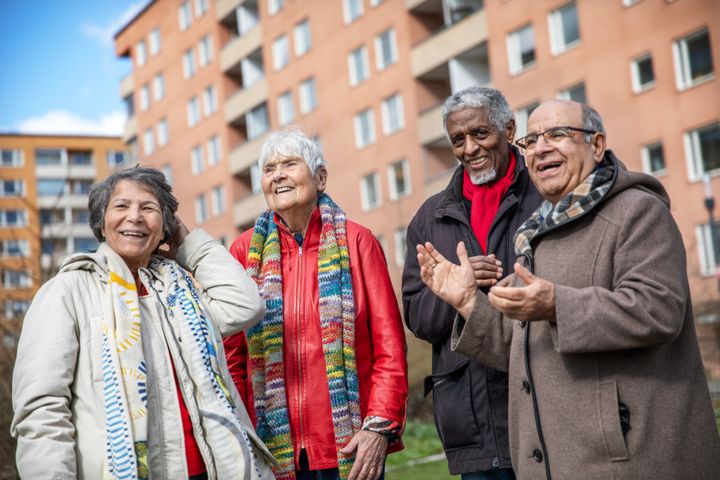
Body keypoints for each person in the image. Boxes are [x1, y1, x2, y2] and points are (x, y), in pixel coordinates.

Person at [416, 100, 720, 479]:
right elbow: (521, 344)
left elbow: (657, 311)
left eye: (557, 134)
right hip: (559, 460)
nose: (541, 147)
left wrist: (557, 304)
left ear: (596, 145)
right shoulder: (538, 231)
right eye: (533, 140)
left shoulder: (638, 212)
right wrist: (466, 302)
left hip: (629, 459)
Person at [11, 167, 276, 479]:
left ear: (165, 225)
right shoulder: (67, 291)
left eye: (148, 208)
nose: (134, 217)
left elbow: (245, 304)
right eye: (121, 206)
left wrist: (187, 244)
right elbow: (42, 412)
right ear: (101, 220)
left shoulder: (179, 292)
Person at [224, 127, 408, 480]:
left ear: (320, 177)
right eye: (268, 169)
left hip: (350, 444)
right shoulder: (243, 253)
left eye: (290, 164)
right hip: (271, 448)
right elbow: (233, 359)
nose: (277, 175)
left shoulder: (358, 242)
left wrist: (378, 428)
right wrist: (238, 434)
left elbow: (389, 345)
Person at [402, 86, 542, 479]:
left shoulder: (545, 194)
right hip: (472, 422)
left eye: (481, 134)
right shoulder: (430, 218)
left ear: (509, 129)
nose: (470, 148)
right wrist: (455, 294)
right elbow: (417, 318)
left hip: (542, 407)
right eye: (458, 140)